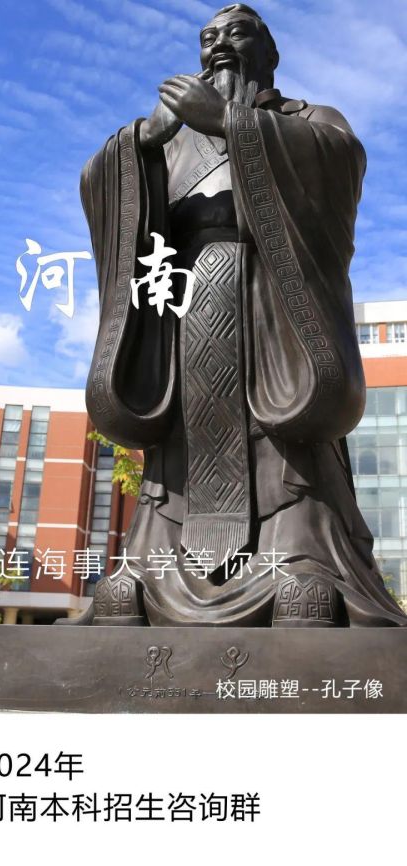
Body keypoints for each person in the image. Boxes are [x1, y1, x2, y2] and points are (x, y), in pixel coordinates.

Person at [75, 4, 407, 627]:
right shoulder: (171, 139)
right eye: (209, 37)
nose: (220, 45)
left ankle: (303, 558)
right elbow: (100, 182)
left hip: (273, 314)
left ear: (270, 53)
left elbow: (340, 161)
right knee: (180, 441)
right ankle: (152, 563)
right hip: (184, 308)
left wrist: (231, 123)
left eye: (237, 33)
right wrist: (141, 145)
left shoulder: (307, 121)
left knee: (283, 437)